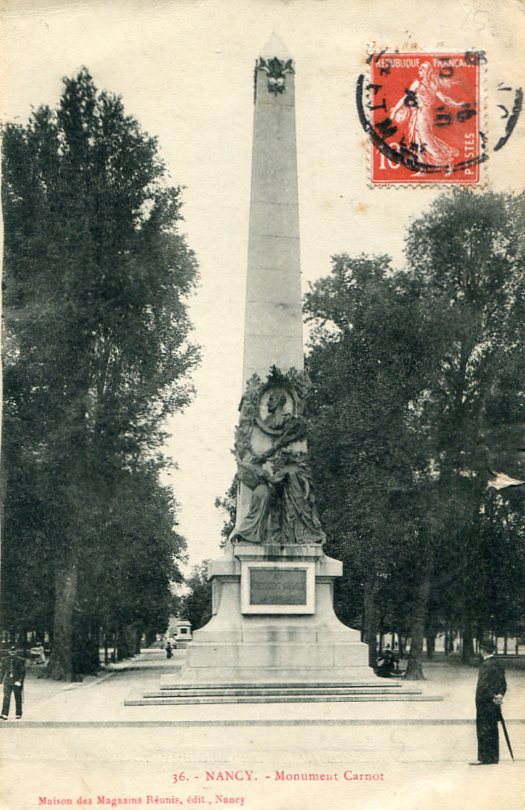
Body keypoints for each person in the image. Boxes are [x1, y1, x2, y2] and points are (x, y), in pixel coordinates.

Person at [470, 639, 506, 765]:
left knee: (483, 729)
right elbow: (503, 683)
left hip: (485, 702)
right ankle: (493, 757)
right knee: (493, 729)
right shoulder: (498, 664)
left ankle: (483, 758)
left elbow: (483, 686)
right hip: (495, 702)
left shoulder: (485, 665)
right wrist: (499, 695)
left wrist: (492, 696)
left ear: (482, 650)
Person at [1, 644, 26, 720]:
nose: (12, 652)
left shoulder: (21, 660)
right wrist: (0, 681)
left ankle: (18, 713)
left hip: (16, 681)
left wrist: (20, 681)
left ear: (16, 651)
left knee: (18, 697)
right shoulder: (5, 660)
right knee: (6, 697)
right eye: (11, 651)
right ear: (8, 651)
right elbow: (2, 671)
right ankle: (4, 714)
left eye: (14, 651)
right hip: (7, 681)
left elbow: (22, 672)